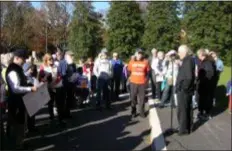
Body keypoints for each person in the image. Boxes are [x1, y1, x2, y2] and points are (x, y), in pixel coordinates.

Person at [5, 49, 37, 149]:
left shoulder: (18, 68)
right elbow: (15, 88)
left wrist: (28, 84)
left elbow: (20, 84)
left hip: (19, 101)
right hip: (15, 102)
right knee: (18, 124)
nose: (24, 61)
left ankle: (19, 142)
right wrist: (30, 88)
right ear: (17, 58)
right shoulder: (13, 70)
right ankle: (18, 145)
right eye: (23, 59)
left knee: (19, 123)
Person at [175, 45, 195, 135]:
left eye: (179, 52)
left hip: (184, 90)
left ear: (184, 52)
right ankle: (188, 127)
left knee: (182, 110)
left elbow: (189, 78)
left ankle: (183, 130)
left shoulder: (188, 61)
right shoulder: (187, 60)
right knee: (187, 109)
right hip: (186, 90)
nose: (178, 54)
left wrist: (184, 88)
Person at [127, 48, 150, 118]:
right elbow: (128, 71)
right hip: (133, 83)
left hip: (142, 83)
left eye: (141, 54)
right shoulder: (131, 62)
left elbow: (148, 72)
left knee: (142, 99)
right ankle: (133, 111)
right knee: (133, 98)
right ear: (135, 54)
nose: (139, 55)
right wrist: (130, 77)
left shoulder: (146, 62)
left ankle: (142, 112)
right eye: (138, 53)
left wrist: (146, 80)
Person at [197, 49, 215, 120]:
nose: (198, 56)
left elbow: (210, 73)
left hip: (205, 85)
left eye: (198, 54)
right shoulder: (204, 62)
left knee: (204, 99)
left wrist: (202, 80)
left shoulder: (207, 62)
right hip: (203, 84)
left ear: (202, 54)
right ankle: (202, 113)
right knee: (202, 99)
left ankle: (205, 114)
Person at [39, 53, 57, 121]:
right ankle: (51, 116)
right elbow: (40, 78)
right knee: (50, 102)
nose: (51, 60)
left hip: (55, 85)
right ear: (46, 60)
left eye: (52, 59)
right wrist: (46, 78)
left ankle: (53, 114)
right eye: (50, 59)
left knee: (53, 101)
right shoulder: (43, 67)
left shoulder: (54, 66)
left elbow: (58, 75)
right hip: (47, 87)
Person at [63, 51, 77, 118]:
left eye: (73, 56)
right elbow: (62, 74)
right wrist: (68, 79)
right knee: (64, 99)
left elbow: (75, 72)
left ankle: (67, 112)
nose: (72, 57)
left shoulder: (73, 64)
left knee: (69, 98)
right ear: (67, 56)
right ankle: (63, 113)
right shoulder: (63, 63)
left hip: (72, 84)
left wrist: (75, 77)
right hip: (65, 84)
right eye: (71, 56)